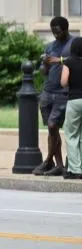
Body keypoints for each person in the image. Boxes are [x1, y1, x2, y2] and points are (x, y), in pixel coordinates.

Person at [35, 16, 75, 177]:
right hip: (48, 91)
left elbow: (77, 60)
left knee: (53, 125)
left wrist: (59, 60)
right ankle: (58, 165)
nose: (55, 35)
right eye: (53, 32)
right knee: (52, 130)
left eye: (58, 32)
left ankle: (48, 160)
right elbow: (43, 71)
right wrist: (44, 64)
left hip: (64, 92)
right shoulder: (49, 46)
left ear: (65, 29)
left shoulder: (75, 43)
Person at [60, 37, 82, 179]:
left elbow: (63, 82)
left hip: (74, 100)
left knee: (71, 134)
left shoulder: (68, 62)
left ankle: (75, 169)